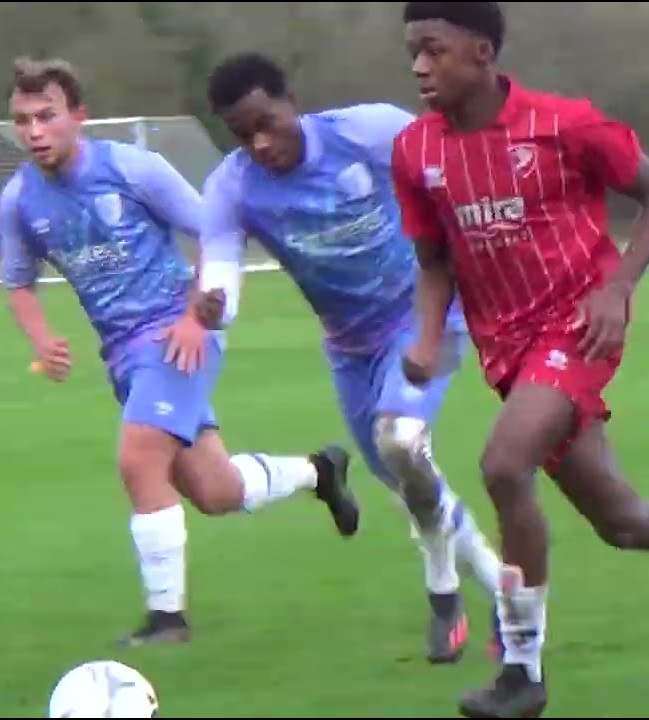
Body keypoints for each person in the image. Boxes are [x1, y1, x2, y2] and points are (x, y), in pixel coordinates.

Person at [391, 3, 649, 717]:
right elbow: (432, 260)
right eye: (413, 52)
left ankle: (520, 671)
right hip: (505, 349)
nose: (420, 66)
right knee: (622, 522)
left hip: (578, 327)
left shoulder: (562, 122)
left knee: (503, 465)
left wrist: (617, 288)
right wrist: (426, 339)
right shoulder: (416, 150)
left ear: (481, 52)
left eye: (434, 49)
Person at [0, 57, 360, 647]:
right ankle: (318, 471)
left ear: (78, 119)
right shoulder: (19, 200)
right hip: (123, 355)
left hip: (178, 335)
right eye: (22, 120)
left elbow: (217, 233)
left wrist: (196, 316)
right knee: (215, 491)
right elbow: (18, 283)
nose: (34, 131)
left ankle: (168, 619)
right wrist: (41, 338)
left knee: (138, 459)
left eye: (47, 116)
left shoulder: (133, 169)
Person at [199, 52, 503, 665]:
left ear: (292, 103)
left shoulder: (368, 131)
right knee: (404, 475)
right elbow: (221, 273)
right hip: (349, 347)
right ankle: (446, 588)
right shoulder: (231, 186)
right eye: (242, 134)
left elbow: (451, 163)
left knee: (402, 441)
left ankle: (501, 593)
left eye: (267, 123)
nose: (259, 143)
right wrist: (216, 305)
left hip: (430, 316)